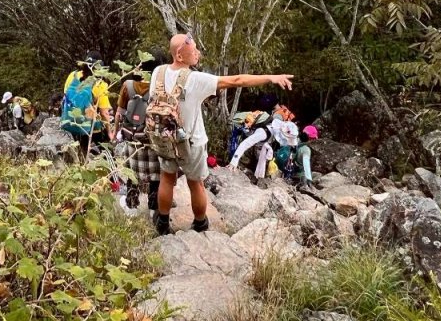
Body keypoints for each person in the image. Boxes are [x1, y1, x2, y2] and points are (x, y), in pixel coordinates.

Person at [149, 33, 293, 236]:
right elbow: (236, 80)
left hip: (163, 137)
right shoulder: (195, 79)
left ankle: (162, 223)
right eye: (194, 49)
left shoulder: (158, 72)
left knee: (167, 178)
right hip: (191, 141)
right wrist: (271, 77)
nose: (198, 53)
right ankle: (200, 223)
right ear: (180, 56)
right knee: (195, 183)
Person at [113, 56, 162, 213]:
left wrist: (114, 135)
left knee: (132, 177)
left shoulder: (128, 85)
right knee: (156, 179)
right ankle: (154, 208)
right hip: (152, 142)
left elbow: (119, 115)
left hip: (133, 141)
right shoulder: (161, 88)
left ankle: (131, 206)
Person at [227, 95, 298, 180]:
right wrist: (233, 162)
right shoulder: (264, 133)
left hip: (248, 131)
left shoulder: (275, 126)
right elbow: (245, 144)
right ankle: (232, 162)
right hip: (235, 125)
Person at [61, 51, 113, 157]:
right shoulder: (100, 84)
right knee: (106, 150)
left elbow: (66, 95)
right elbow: (104, 113)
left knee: (81, 150)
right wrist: (110, 132)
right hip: (91, 125)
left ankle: (82, 165)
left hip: (73, 120)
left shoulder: (73, 75)